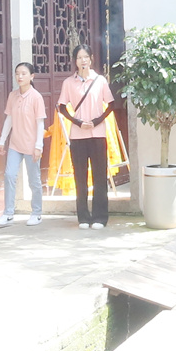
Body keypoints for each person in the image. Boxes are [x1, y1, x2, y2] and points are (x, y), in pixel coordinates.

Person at [56, 46, 115, 229]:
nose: (83, 61)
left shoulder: (99, 81)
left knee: (99, 176)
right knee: (80, 177)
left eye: (86, 57)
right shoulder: (68, 83)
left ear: (91, 59)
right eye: (79, 57)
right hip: (78, 135)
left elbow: (111, 104)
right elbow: (62, 107)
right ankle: (83, 217)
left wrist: (97, 121)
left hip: (98, 135)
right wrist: (77, 121)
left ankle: (100, 217)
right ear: (75, 61)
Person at [0, 62, 48, 226]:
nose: (20, 76)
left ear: (32, 76)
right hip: (15, 145)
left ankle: (37, 212)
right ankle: (8, 212)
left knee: (34, 180)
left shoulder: (36, 97)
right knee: (9, 175)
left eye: (24, 73)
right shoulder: (13, 95)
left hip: (32, 146)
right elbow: (9, 119)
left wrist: (38, 146)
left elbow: (40, 124)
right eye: (17, 73)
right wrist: (2, 140)